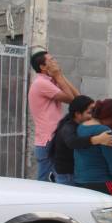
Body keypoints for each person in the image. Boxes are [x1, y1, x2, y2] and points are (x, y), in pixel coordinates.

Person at [28, 46, 80, 181]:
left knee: (53, 180)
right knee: (45, 182)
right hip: (48, 139)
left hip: (53, 137)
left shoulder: (50, 81)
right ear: (43, 67)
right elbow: (70, 100)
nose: (56, 62)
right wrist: (58, 76)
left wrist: (60, 76)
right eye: (51, 60)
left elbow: (77, 99)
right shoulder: (41, 84)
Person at [48, 95, 112, 186]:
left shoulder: (81, 125)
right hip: (67, 174)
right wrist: (97, 139)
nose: (93, 115)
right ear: (78, 114)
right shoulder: (68, 127)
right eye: (90, 112)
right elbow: (73, 142)